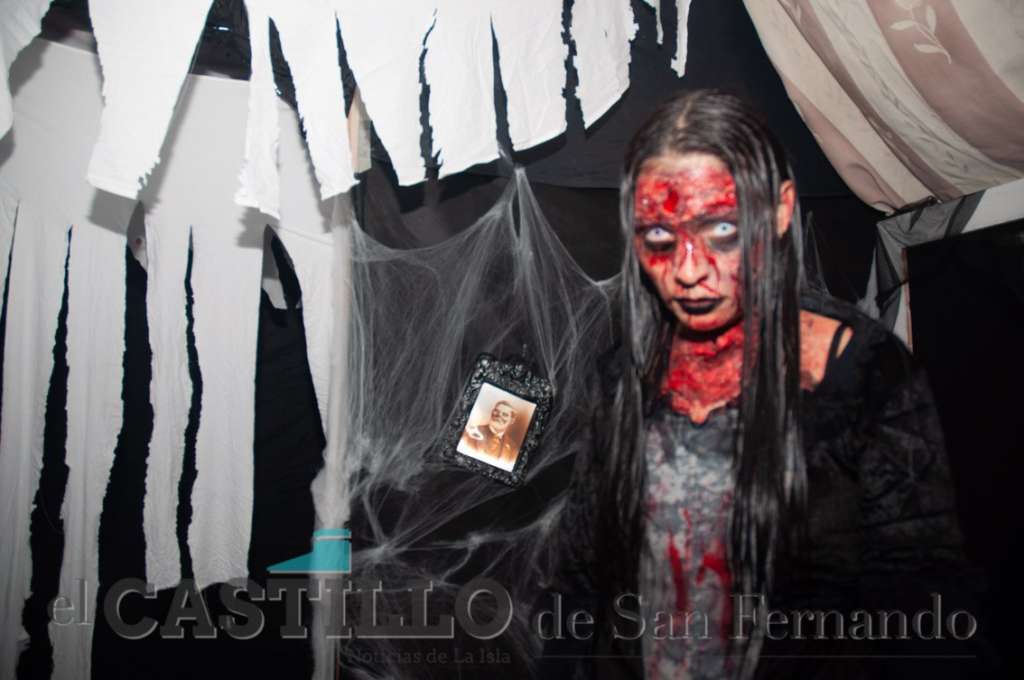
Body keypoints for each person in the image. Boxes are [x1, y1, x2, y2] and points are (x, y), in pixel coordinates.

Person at [544, 91, 985, 680]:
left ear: (779, 213)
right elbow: (579, 570)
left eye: (722, 228)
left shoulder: (860, 371)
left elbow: (923, 594)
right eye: (660, 236)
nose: (688, 268)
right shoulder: (626, 372)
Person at [460, 400, 520, 464]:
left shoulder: (513, 449)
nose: (499, 415)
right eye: (496, 411)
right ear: (492, 412)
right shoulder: (470, 432)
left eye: (505, 414)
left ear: (512, 421)